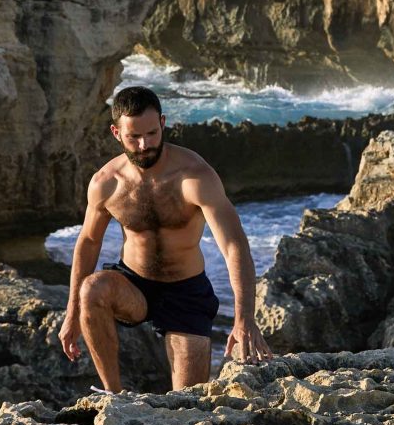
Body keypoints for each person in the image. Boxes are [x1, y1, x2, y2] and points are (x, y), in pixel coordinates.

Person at [59, 85, 272, 392]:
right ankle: (113, 395)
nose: (145, 145)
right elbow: (88, 243)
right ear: (117, 133)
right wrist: (72, 315)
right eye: (134, 137)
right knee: (92, 289)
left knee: (188, 401)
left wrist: (244, 318)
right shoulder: (106, 183)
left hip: (185, 292)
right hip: (134, 284)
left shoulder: (195, 176)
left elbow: (233, 245)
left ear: (162, 123)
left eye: (151, 133)